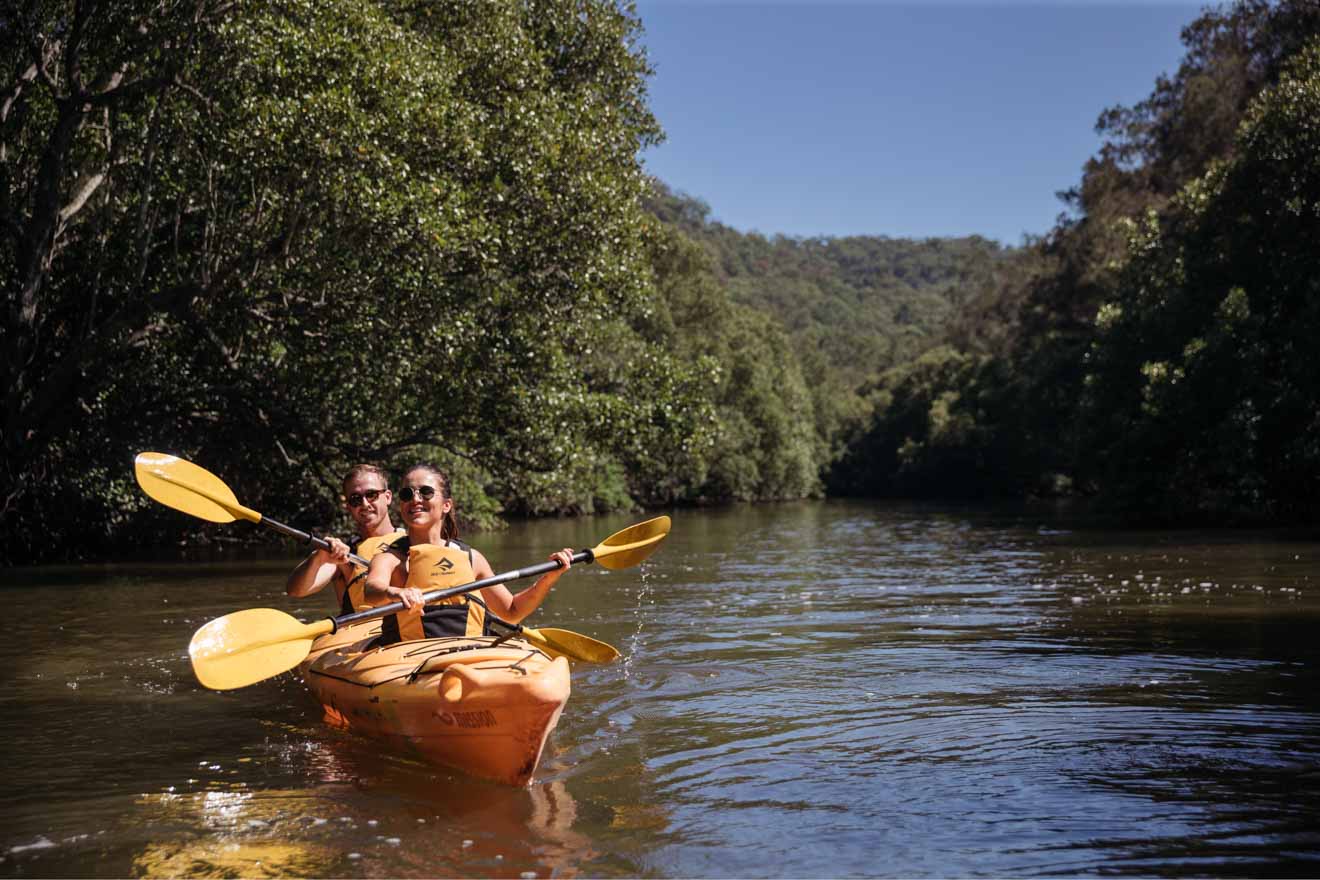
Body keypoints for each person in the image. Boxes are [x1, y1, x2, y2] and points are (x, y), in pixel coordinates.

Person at [364, 463, 573, 644]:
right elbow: (372, 591)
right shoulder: (390, 558)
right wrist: (396, 593)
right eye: (407, 494)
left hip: (467, 653)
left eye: (426, 492)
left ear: (447, 505)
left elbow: (511, 612)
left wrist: (549, 578)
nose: (415, 499)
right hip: (409, 659)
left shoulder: (471, 558)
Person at [285, 464, 405, 615]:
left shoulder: (411, 542)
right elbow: (296, 591)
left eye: (371, 495)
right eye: (356, 499)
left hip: (406, 630)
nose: (365, 504)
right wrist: (318, 557)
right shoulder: (342, 553)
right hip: (360, 631)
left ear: (387, 497)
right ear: (348, 506)